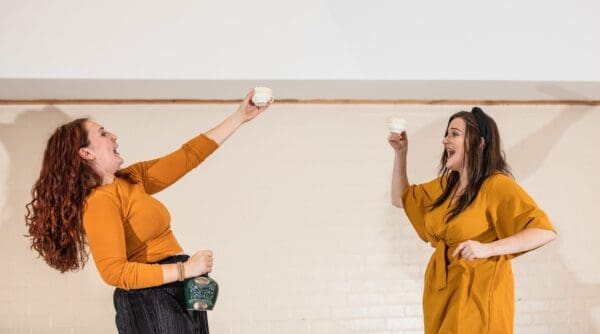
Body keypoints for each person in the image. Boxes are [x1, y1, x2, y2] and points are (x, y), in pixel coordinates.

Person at [25, 90, 272, 334]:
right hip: (149, 298)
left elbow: (189, 155)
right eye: (103, 133)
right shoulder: (99, 201)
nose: (113, 136)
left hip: (177, 287)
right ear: (86, 153)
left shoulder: (133, 178)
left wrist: (240, 116)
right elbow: (115, 272)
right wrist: (186, 269)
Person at [388, 107, 557, 333]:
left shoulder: (496, 185)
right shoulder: (447, 186)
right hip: (442, 294)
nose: (445, 140)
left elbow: (544, 231)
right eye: (447, 134)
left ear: (479, 143)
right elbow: (401, 199)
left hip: (477, 295)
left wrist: (487, 249)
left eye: (454, 134)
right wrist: (401, 153)